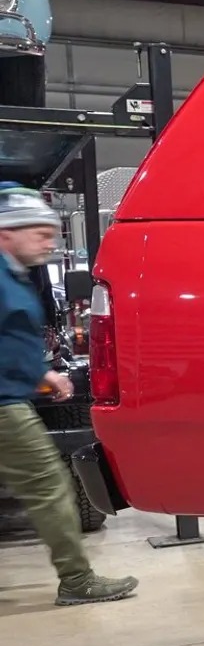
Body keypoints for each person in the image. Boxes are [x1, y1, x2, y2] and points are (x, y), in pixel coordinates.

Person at [0, 189, 137, 604]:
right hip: (4, 405)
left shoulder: (14, 275)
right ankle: (77, 581)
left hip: (11, 393)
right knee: (48, 484)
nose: (49, 243)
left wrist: (40, 372)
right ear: (6, 233)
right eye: (39, 234)